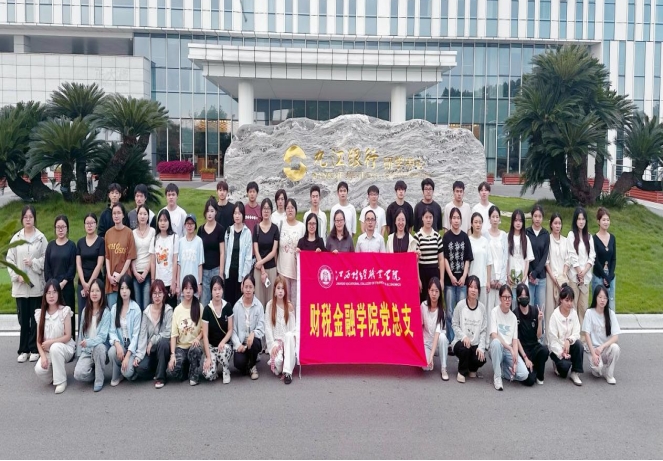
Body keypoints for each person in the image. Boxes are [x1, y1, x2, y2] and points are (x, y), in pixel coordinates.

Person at [8, 205, 47, 363]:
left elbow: (45, 259)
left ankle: (34, 348)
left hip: (36, 286)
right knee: (23, 320)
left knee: (35, 319)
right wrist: (17, 276)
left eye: (31, 217)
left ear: (34, 218)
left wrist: (33, 263)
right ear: (22, 219)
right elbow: (10, 260)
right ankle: (23, 349)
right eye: (26, 217)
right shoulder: (16, 238)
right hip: (20, 287)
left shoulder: (41, 238)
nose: (28, 219)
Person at [33, 280, 76, 394]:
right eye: (48, 293)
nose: (51, 296)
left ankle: (61, 381)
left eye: (54, 292)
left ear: (59, 294)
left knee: (55, 347)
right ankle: (55, 373)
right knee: (39, 370)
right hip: (47, 351)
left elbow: (68, 336)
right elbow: (38, 341)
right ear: (45, 295)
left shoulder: (64, 311)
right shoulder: (41, 314)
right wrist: (43, 356)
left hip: (64, 347)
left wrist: (51, 342)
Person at [488, 284, 531, 391]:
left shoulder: (513, 317)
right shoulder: (494, 312)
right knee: (496, 342)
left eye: (509, 297)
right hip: (498, 348)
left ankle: (502, 371)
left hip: (509, 350)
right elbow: (494, 334)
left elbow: (515, 340)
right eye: (505, 297)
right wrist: (509, 348)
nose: (507, 300)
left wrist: (515, 360)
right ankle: (497, 377)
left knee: (524, 374)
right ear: (500, 298)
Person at [132, 280, 173, 389]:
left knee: (163, 343)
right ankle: (157, 370)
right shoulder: (147, 312)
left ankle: (161, 378)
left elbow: (169, 332)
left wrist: (153, 340)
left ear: (164, 294)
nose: (157, 296)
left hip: (164, 349)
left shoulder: (168, 310)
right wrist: (139, 356)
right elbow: (142, 334)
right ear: (151, 295)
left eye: (160, 293)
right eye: (154, 293)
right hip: (150, 351)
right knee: (139, 368)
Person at [166, 275, 205, 386]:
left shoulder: (199, 307)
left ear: (194, 290)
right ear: (182, 290)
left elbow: (204, 329)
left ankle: (194, 374)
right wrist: (172, 355)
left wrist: (198, 338)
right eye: (186, 288)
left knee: (195, 350)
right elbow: (174, 335)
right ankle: (186, 367)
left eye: (191, 288)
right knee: (173, 371)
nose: (188, 291)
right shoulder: (177, 310)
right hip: (181, 347)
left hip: (194, 345)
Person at [73, 279, 111, 392]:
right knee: (78, 374)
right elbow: (81, 334)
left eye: (97, 291)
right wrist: (79, 354)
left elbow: (102, 337)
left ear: (102, 293)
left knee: (99, 347)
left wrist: (89, 342)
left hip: (101, 349)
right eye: (92, 291)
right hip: (87, 351)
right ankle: (96, 372)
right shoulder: (85, 311)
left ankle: (99, 380)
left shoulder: (106, 312)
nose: (94, 293)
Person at [442, 207, 473, 342]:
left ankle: (460, 340)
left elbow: (467, 258)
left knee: (462, 311)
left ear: (461, 220)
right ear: (450, 220)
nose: (456, 220)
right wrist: (451, 276)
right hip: (449, 281)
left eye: (458, 218)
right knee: (449, 311)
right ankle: (450, 339)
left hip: (462, 281)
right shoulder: (446, 237)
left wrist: (464, 276)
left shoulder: (465, 237)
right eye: (454, 218)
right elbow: (444, 258)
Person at [44, 215, 77, 339]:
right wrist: (53, 285)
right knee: (54, 315)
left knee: (67, 314)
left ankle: (70, 342)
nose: (61, 229)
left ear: (67, 228)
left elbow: (72, 267)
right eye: (58, 227)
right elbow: (47, 267)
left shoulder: (72, 246)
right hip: (53, 289)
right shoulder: (50, 246)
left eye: (63, 226)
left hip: (66, 287)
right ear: (55, 228)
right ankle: (53, 341)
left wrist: (63, 282)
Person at [451, 275, 488, 382]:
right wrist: (463, 337)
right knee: (465, 348)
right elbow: (454, 324)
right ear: (467, 289)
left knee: (481, 359)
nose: (473, 290)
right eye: (471, 287)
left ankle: (472, 368)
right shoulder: (460, 305)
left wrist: (481, 347)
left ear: (478, 291)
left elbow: (483, 330)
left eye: (476, 288)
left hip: (475, 344)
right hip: (460, 342)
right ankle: (461, 372)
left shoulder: (482, 308)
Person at [107, 274, 141, 386]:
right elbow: (112, 331)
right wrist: (117, 345)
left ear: (131, 290)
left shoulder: (136, 309)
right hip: (121, 344)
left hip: (131, 347)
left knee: (127, 372)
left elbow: (136, 336)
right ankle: (118, 373)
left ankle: (128, 372)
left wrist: (127, 356)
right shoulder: (114, 308)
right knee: (112, 352)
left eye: (127, 288)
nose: (124, 291)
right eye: (122, 288)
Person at [583, 285, 621, 384]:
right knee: (597, 369)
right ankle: (596, 368)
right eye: (600, 297)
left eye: (605, 298)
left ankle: (609, 374)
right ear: (595, 297)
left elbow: (615, 337)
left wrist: (603, 346)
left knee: (615, 348)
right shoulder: (589, 313)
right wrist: (593, 354)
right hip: (593, 349)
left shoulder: (610, 314)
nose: (602, 300)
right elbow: (586, 334)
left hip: (604, 349)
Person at [547, 284, 584, 386]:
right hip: (557, 349)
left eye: (571, 300)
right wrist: (561, 352)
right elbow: (552, 340)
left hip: (569, 345)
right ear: (561, 300)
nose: (569, 303)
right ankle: (557, 363)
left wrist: (569, 340)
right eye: (567, 300)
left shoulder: (574, 313)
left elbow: (576, 332)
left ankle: (575, 372)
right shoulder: (555, 316)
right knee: (563, 371)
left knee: (579, 345)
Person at [231, 274, 265, 380]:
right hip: (242, 343)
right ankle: (250, 361)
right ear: (242, 287)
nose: (248, 290)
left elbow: (261, 327)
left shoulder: (259, 306)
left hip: (253, 341)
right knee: (238, 363)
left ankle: (252, 366)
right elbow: (232, 330)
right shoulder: (237, 306)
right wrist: (238, 345)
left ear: (254, 288)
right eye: (246, 287)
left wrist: (253, 333)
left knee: (254, 342)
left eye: (250, 287)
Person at [265, 276, 297, 384]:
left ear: (285, 291)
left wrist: (289, 345)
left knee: (289, 335)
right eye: (278, 288)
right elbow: (268, 327)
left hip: (287, 342)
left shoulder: (289, 306)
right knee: (278, 364)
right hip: (276, 341)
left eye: (283, 288)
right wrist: (272, 346)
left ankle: (288, 372)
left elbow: (293, 330)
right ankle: (283, 363)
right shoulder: (270, 305)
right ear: (274, 290)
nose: (280, 291)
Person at [567, 206, 596, 327]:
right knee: (572, 307)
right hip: (574, 277)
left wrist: (584, 273)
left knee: (583, 307)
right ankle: (573, 334)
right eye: (579, 219)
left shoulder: (589, 237)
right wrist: (579, 272)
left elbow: (592, 256)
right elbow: (572, 255)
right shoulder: (571, 235)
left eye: (583, 219)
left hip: (585, 279)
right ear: (575, 220)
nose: (581, 221)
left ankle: (583, 336)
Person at [76, 213, 105, 332]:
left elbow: (99, 264)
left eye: (92, 223)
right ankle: (81, 339)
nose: (89, 225)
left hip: (96, 283)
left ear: (96, 225)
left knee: (97, 312)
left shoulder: (101, 242)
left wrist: (90, 284)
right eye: (87, 223)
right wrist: (84, 283)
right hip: (82, 283)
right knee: (82, 313)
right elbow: (78, 264)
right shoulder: (80, 242)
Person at [202, 276, 234, 384]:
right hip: (212, 347)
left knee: (224, 351)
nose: (217, 292)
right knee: (207, 374)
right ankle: (214, 365)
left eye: (219, 289)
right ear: (211, 291)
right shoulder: (207, 309)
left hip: (224, 346)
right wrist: (208, 357)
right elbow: (205, 335)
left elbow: (230, 329)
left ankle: (226, 370)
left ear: (223, 290)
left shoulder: (227, 306)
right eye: (215, 289)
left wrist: (223, 342)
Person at [514, 283, 548, 385]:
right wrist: (525, 358)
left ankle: (539, 374)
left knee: (544, 350)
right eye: (521, 296)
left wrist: (540, 321)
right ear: (518, 298)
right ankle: (530, 370)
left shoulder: (534, 311)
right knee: (530, 381)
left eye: (526, 296)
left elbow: (538, 336)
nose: (524, 298)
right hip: (522, 349)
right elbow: (516, 339)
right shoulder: (515, 314)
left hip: (534, 346)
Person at [105, 203, 136, 308]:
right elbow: (107, 257)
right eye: (114, 213)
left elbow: (130, 257)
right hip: (111, 280)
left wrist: (121, 276)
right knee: (112, 311)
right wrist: (109, 276)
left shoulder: (129, 233)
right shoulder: (108, 233)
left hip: (125, 278)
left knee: (125, 310)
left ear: (123, 215)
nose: (116, 215)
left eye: (119, 213)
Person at [224, 202, 253, 308]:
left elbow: (248, 258)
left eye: (239, 213)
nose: (237, 216)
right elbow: (225, 253)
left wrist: (244, 278)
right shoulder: (228, 231)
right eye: (235, 213)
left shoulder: (247, 233)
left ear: (243, 215)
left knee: (239, 304)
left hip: (240, 275)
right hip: (229, 274)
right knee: (228, 303)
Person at [545, 213, 569, 339]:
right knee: (550, 309)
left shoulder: (565, 241)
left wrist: (563, 276)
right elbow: (546, 261)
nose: (557, 226)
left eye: (559, 223)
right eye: (555, 223)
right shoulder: (548, 240)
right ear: (551, 225)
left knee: (562, 308)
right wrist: (553, 278)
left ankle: (562, 338)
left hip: (562, 278)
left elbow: (567, 259)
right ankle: (550, 339)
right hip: (550, 278)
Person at [197, 197, 225, 308]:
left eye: (212, 211)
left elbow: (222, 252)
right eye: (208, 211)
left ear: (216, 212)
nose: (209, 214)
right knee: (204, 303)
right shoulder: (200, 230)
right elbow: (199, 253)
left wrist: (221, 273)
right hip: (204, 271)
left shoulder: (220, 229)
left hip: (216, 270)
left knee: (218, 302)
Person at [420, 277, 449, 381]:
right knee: (425, 367)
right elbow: (420, 326)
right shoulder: (423, 306)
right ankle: (429, 355)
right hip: (426, 342)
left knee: (442, 337)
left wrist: (431, 356)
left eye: (436, 291)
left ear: (440, 293)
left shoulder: (441, 311)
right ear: (428, 291)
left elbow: (437, 333)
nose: (434, 294)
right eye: (432, 290)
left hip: (438, 342)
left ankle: (443, 368)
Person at [253, 198, 280, 309]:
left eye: (268, 209)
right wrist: (262, 269)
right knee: (258, 301)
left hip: (271, 269)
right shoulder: (256, 228)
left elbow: (274, 252)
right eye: (264, 208)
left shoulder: (275, 229)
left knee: (271, 302)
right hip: (259, 270)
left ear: (271, 211)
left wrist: (261, 263)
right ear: (261, 210)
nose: (266, 211)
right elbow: (256, 250)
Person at [277, 199, 305, 305]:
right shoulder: (280, 225)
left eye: (292, 208)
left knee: (295, 303)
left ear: (296, 210)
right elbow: (276, 247)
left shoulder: (301, 227)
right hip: (283, 270)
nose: (290, 210)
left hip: (296, 272)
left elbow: (305, 246)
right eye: (287, 208)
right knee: (284, 302)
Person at [150, 209, 179, 308]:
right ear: (157, 222)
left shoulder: (174, 237)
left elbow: (175, 260)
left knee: (170, 309)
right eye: (161, 220)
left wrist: (174, 282)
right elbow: (152, 262)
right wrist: (152, 280)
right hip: (158, 282)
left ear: (169, 222)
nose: (163, 223)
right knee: (159, 309)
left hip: (170, 281)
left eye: (165, 220)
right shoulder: (155, 239)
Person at [414, 207, 444, 302]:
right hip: (422, 272)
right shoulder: (417, 236)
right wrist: (418, 279)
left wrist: (441, 279)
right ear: (422, 218)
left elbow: (441, 259)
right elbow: (415, 260)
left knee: (434, 300)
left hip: (434, 272)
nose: (428, 220)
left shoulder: (437, 236)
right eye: (426, 217)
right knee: (423, 301)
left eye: (430, 217)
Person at [526, 204, 550, 321]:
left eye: (539, 216)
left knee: (540, 308)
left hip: (541, 277)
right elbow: (525, 254)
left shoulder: (545, 234)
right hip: (529, 276)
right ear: (532, 217)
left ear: (542, 218)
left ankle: (540, 332)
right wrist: (531, 273)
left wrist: (536, 272)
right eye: (535, 216)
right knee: (529, 307)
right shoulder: (526, 232)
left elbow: (545, 256)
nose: (537, 219)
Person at [506, 209, 533, 309]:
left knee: (523, 304)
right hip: (510, 278)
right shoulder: (507, 237)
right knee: (512, 303)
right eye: (516, 220)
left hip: (522, 278)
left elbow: (527, 260)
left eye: (520, 221)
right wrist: (508, 275)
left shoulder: (526, 239)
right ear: (512, 221)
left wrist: (525, 276)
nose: (518, 223)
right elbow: (506, 258)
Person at [131, 204, 155, 310]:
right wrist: (135, 272)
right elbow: (132, 254)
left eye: (145, 214)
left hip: (147, 273)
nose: (142, 216)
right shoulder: (132, 233)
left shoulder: (153, 231)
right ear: (137, 216)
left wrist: (145, 272)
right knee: (137, 305)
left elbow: (152, 255)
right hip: (136, 273)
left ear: (148, 216)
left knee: (146, 306)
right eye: (140, 214)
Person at [592, 207, 616, 310]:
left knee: (610, 303)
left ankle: (610, 320)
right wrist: (604, 276)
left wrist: (609, 276)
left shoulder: (612, 238)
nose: (606, 222)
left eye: (607, 220)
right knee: (598, 304)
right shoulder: (594, 239)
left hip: (610, 277)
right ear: (598, 221)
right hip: (598, 276)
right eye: (603, 220)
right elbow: (595, 260)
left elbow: (613, 259)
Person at [486, 205, 508, 314]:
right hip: (490, 279)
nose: (495, 219)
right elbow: (486, 258)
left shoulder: (503, 235)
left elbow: (505, 258)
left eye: (497, 217)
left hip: (501, 279)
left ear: (499, 219)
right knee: (489, 310)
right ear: (489, 218)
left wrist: (501, 280)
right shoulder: (485, 235)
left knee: (501, 310)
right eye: (493, 217)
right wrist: (490, 279)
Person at [468, 212, 492, 308]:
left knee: (482, 308)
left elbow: (489, 263)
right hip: (471, 282)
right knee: (471, 307)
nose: (478, 225)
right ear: (471, 224)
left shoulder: (485, 241)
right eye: (476, 222)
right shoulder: (468, 240)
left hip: (482, 282)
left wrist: (488, 281)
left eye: (480, 222)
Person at [178, 214, 204, 298]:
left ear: (195, 225)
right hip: (183, 283)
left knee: (194, 305)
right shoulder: (180, 242)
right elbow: (179, 265)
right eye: (188, 223)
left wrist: (199, 283)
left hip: (195, 282)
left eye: (192, 223)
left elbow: (200, 264)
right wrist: (178, 284)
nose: (190, 226)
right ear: (185, 225)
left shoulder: (199, 241)